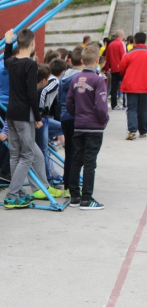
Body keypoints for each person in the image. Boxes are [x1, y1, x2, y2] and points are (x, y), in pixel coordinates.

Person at [2, 28, 62, 209]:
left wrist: (7, 42)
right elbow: (31, 93)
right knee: (27, 154)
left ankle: (18, 192)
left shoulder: (12, 62)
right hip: (23, 115)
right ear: (33, 44)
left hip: (11, 113)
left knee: (15, 154)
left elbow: (6, 59)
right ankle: (12, 195)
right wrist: (37, 117)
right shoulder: (30, 65)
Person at [66, 45, 109, 210]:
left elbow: (69, 103)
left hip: (79, 125)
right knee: (90, 161)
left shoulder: (75, 79)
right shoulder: (98, 80)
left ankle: (75, 196)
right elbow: (101, 106)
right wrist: (103, 120)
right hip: (94, 127)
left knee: (76, 159)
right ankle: (87, 198)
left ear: (82, 60)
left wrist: (77, 115)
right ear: (97, 60)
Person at [59, 47, 84, 198]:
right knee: (77, 153)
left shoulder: (64, 76)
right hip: (76, 117)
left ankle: (67, 184)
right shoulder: (82, 77)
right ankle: (72, 186)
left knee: (69, 152)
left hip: (65, 117)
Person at [119, 32, 147, 140]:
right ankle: (144, 131)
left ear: (134, 41)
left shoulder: (129, 54)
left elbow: (121, 69)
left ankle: (132, 131)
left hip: (131, 86)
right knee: (144, 108)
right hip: (145, 86)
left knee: (131, 108)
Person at [105, 29, 126, 110]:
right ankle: (125, 104)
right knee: (124, 87)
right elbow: (124, 56)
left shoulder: (110, 45)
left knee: (114, 87)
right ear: (121, 35)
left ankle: (114, 105)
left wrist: (107, 68)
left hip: (113, 69)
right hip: (121, 69)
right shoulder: (121, 44)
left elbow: (107, 58)